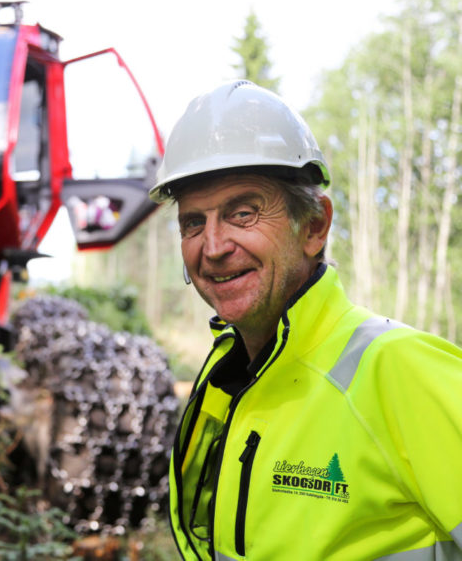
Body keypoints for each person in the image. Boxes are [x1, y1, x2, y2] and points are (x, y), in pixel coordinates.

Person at [148, 80, 462, 561]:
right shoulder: (226, 381)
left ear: (314, 227)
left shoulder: (400, 370)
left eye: (244, 213)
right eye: (193, 223)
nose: (212, 247)